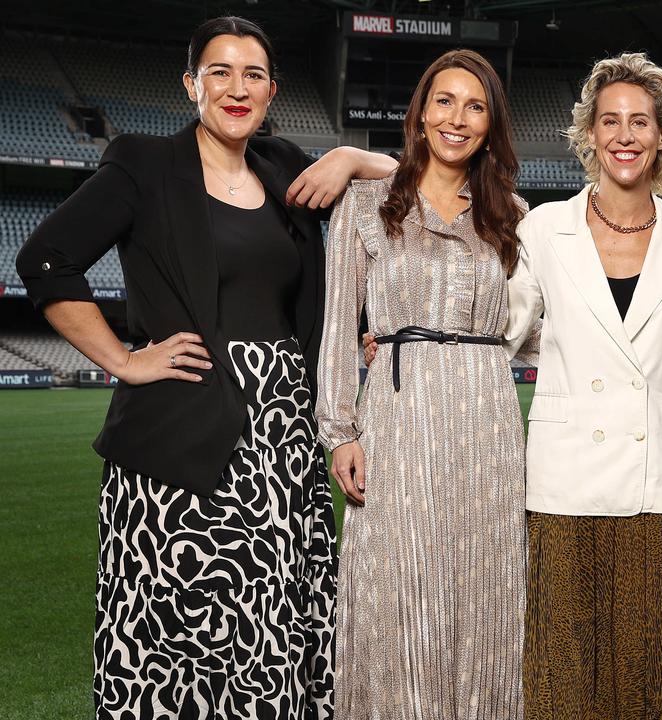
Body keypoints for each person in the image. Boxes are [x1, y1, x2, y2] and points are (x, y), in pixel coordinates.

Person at [14, 16, 396, 719]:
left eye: (253, 74)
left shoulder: (284, 164)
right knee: (180, 631)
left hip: (282, 436)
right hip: (181, 435)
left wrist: (349, 155)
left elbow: (415, 189)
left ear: (273, 91)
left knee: (275, 623)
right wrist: (124, 360)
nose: (236, 87)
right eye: (219, 71)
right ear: (191, 84)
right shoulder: (143, 164)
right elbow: (44, 262)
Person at [504, 52, 662, 719]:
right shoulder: (541, 228)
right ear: (589, 134)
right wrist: (405, 341)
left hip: (660, 479)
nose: (625, 135)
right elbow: (498, 334)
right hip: (566, 480)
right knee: (564, 679)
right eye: (609, 121)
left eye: (640, 122)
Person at [314, 49, 528, 719]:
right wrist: (341, 430)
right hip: (398, 419)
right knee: (397, 584)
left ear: (491, 124)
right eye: (443, 100)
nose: (456, 118)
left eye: (474, 106)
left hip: (489, 420)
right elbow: (335, 325)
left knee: (487, 590)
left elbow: (533, 318)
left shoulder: (512, 212)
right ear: (421, 111)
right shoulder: (366, 203)